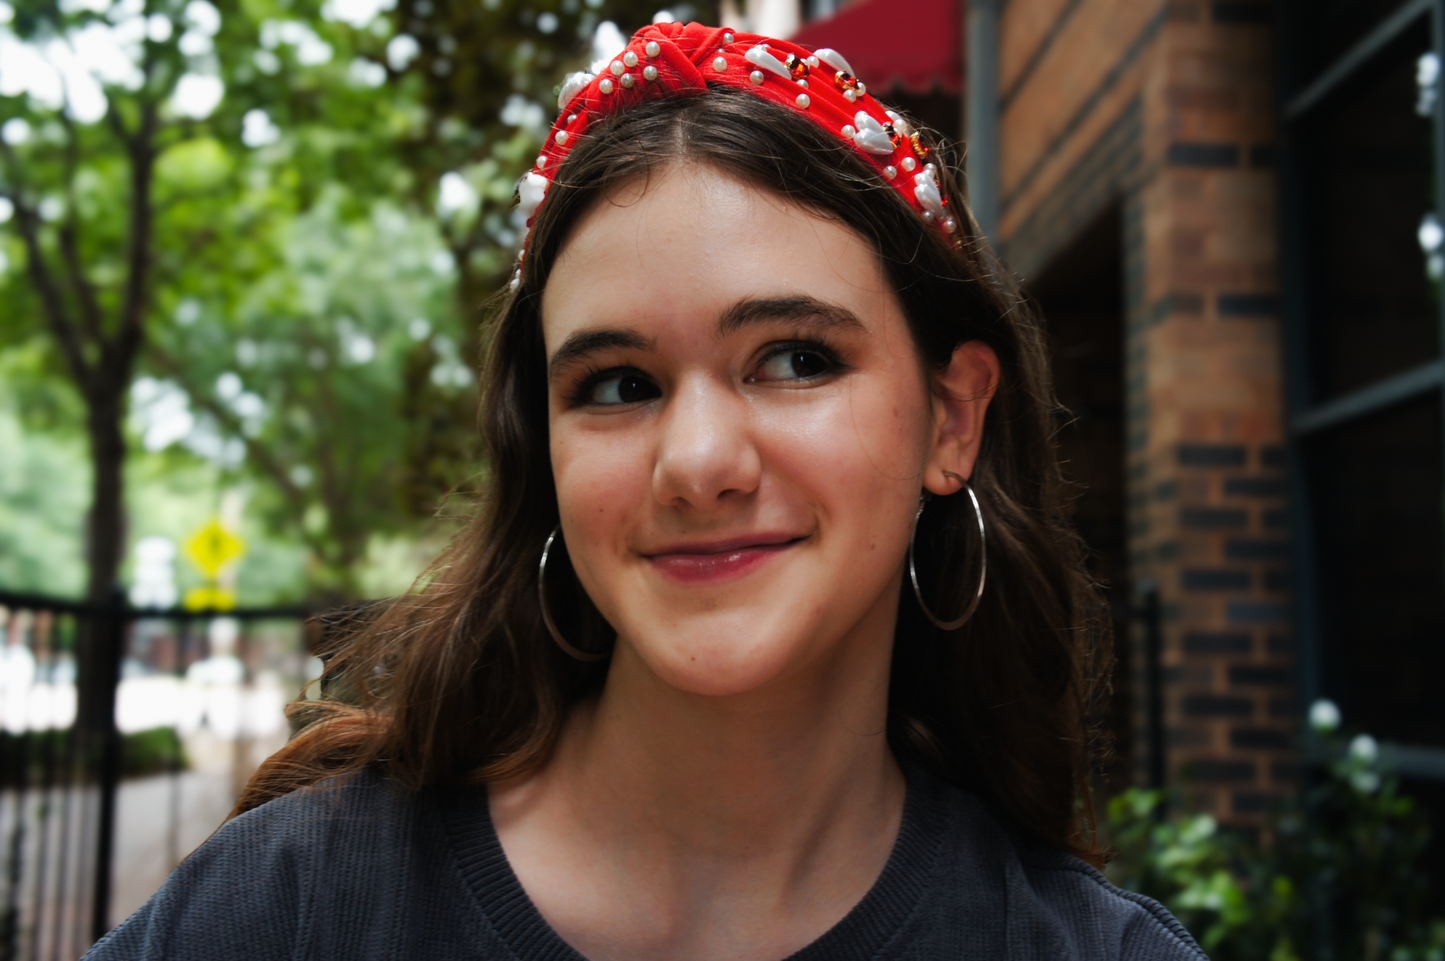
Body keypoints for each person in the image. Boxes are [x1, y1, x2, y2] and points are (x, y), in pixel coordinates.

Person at [86, 21, 1206, 961]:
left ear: (950, 417)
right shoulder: (293, 909)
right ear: (548, 452)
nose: (697, 462)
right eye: (618, 384)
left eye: (795, 358)